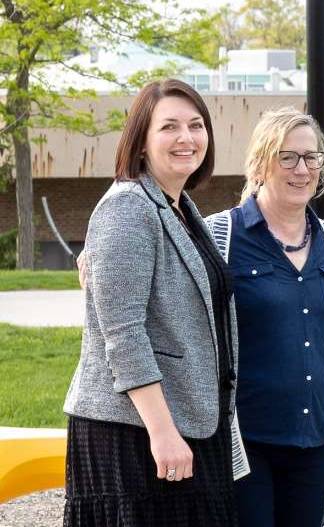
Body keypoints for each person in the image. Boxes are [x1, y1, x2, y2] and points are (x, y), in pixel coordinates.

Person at [63, 78, 247, 525]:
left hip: (191, 423)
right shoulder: (128, 207)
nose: (186, 138)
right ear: (141, 141)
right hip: (137, 434)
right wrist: (162, 433)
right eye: (169, 127)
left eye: (196, 125)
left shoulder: (179, 206)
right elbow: (123, 334)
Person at [203, 108, 324, 527]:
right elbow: (168, 275)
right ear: (260, 163)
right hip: (246, 444)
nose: (301, 169)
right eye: (287, 157)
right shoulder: (221, 235)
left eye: (311, 157)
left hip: (313, 443)